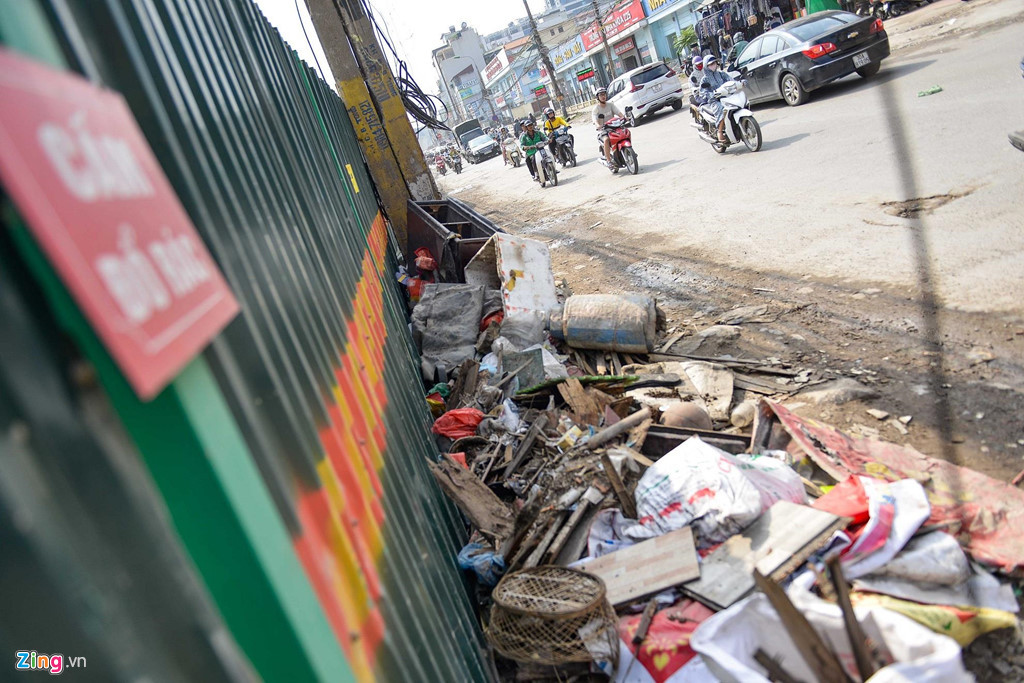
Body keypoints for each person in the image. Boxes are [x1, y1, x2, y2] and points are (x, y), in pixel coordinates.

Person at [698, 55, 731, 142]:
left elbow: (730, 80)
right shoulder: (704, 79)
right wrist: (711, 94)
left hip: (726, 97)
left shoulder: (721, 74)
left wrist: (739, 83)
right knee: (722, 108)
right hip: (715, 101)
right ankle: (719, 131)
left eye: (714, 63)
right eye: (711, 64)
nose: (714, 65)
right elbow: (702, 92)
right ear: (706, 66)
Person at [591, 87, 623, 168]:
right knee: (606, 140)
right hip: (604, 130)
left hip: (614, 127)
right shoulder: (596, 109)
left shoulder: (610, 105)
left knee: (625, 133)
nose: (603, 96)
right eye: (601, 95)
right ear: (597, 97)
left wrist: (623, 117)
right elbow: (594, 119)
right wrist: (598, 125)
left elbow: (619, 113)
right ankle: (609, 160)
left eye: (604, 94)